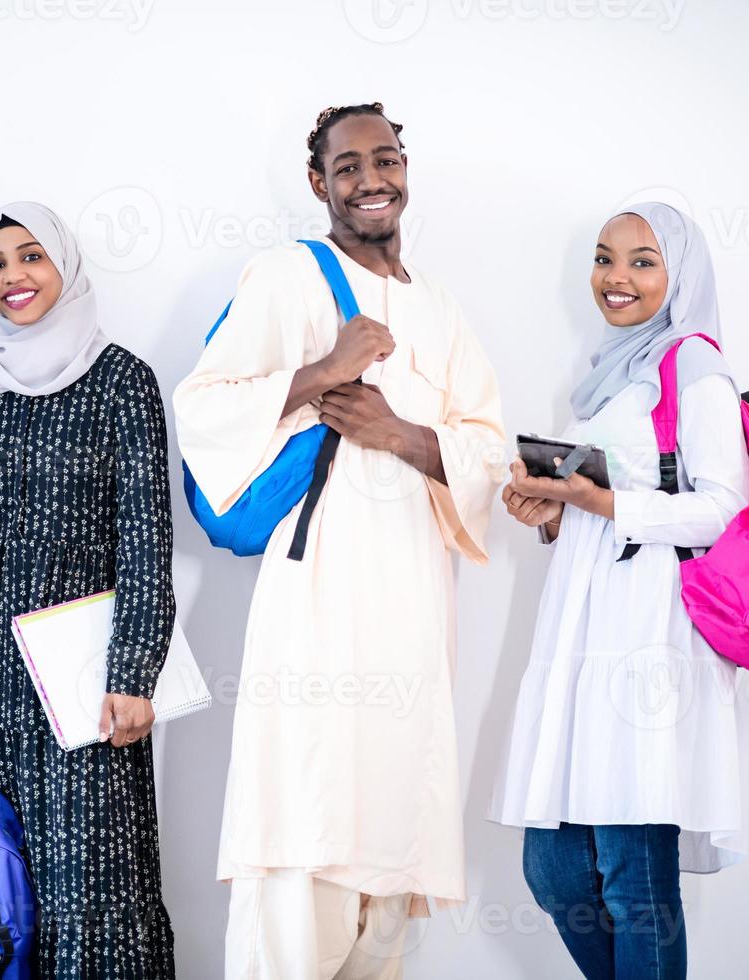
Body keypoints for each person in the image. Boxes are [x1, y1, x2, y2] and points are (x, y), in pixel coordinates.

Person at [173, 103, 506, 979]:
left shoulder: (440, 305)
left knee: (389, 866)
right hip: (316, 603)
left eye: (385, 159)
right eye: (348, 166)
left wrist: (401, 433)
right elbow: (202, 406)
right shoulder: (286, 277)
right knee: (304, 835)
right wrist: (324, 369)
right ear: (319, 183)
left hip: (415, 613)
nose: (371, 179)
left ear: (406, 169)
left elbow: (489, 447)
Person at [0, 202, 177, 977]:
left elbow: (146, 537)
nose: (12, 277)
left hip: (83, 676)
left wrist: (133, 674)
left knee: (86, 876)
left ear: (66, 266)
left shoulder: (121, 380)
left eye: (31, 257)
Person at [488, 203, 749, 979]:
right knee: (558, 874)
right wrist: (550, 512)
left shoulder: (693, 366)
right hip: (582, 639)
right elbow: (612, 502)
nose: (616, 278)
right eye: (605, 259)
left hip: (648, 648)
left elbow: (724, 508)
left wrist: (600, 503)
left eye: (643, 261)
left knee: (634, 882)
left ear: (681, 274)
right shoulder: (611, 376)